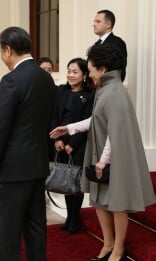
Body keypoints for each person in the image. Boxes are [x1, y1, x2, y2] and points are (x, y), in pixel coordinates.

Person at [50, 43, 156, 261]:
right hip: (104, 154)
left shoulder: (115, 91)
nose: (89, 74)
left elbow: (114, 131)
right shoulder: (105, 89)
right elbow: (97, 120)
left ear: (103, 68)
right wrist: (68, 128)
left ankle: (119, 248)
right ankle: (108, 244)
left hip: (113, 157)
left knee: (117, 203)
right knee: (99, 199)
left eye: (91, 69)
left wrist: (103, 161)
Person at [0, 26, 55, 261]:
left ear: (8, 49)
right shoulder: (46, 78)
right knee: (35, 223)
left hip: (12, 166)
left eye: (2, 51)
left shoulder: (11, 81)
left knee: (6, 225)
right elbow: (49, 122)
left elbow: (1, 127)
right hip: (37, 164)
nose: (2, 56)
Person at [52, 58, 95, 234]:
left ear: (84, 75)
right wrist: (57, 140)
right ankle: (69, 217)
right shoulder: (61, 91)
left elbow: (88, 122)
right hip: (61, 142)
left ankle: (75, 218)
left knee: (76, 181)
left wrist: (73, 144)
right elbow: (53, 115)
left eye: (75, 72)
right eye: (69, 71)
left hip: (79, 144)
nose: (70, 75)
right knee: (65, 180)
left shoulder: (91, 94)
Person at [93, 9, 127, 82]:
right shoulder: (97, 44)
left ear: (108, 24)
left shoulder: (117, 42)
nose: (94, 24)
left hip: (109, 87)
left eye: (98, 21)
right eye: (94, 21)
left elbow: (119, 70)